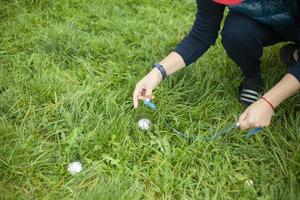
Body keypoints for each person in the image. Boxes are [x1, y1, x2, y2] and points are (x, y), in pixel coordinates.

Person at [133, 0, 300, 130]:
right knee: (237, 32)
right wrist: (157, 72)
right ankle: (253, 76)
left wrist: (269, 102)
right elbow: (201, 35)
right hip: (271, 22)